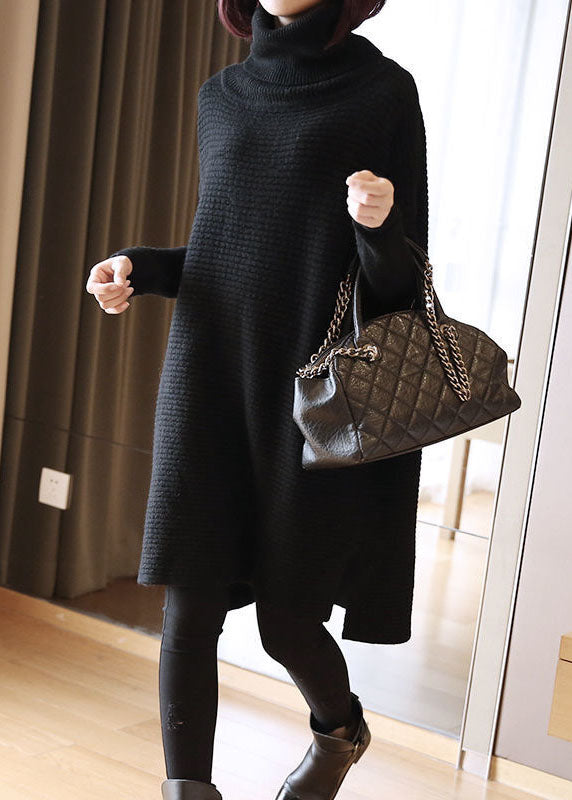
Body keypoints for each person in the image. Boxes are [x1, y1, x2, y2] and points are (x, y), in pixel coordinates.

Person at [85, 0, 429, 798]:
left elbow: (401, 283)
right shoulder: (221, 96)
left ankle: (339, 732)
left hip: (310, 392)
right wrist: (137, 266)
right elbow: (224, 250)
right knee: (189, 605)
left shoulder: (383, 91)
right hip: (208, 377)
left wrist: (378, 226)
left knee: (286, 621)